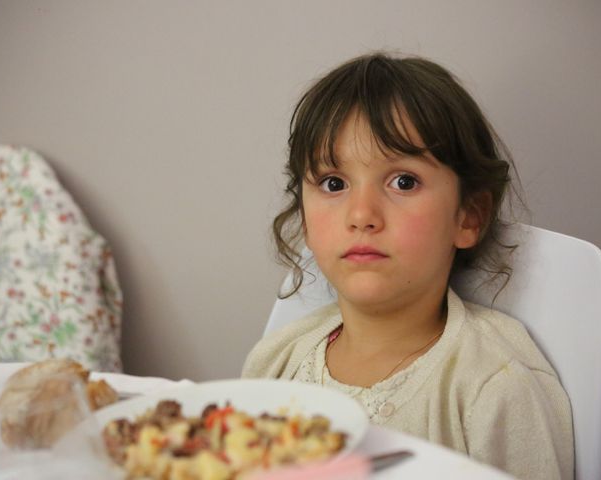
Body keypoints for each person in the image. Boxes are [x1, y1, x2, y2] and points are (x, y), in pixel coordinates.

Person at [242, 53, 573, 480]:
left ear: (468, 216)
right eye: (333, 183)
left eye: (403, 181)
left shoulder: (495, 387)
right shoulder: (275, 362)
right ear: (304, 218)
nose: (361, 214)